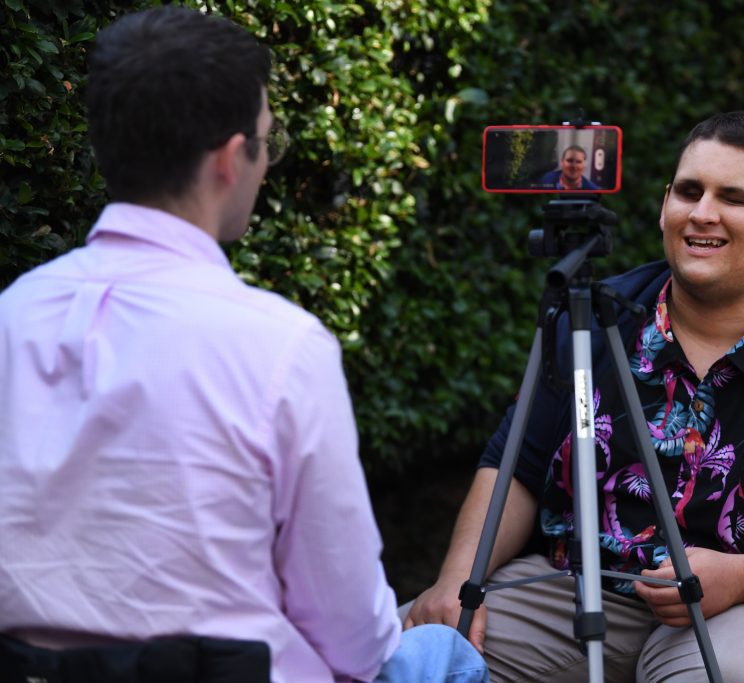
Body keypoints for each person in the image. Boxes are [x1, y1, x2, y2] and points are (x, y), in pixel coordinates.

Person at [0, 6, 487, 683]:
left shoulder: (12, 314)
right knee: (444, 655)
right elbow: (354, 633)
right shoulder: (280, 346)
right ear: (232, 158)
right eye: (267, 140)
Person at [404, 110, 744, 682]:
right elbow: (515, 468)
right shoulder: (592, 323)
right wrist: (455, 582)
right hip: (594, 591)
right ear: (663, 204)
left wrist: (743, 577)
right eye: (689, 191)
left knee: (734, 671)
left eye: (735, 198)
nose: (703, 213)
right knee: (407, 655)